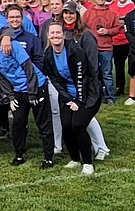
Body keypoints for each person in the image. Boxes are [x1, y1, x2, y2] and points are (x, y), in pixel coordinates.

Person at [0, 22, 54, 168]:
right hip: (18, 91)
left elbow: (29, 69)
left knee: (43, 123)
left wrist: (33, 93)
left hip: (36, 86)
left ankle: (48, 157)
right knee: (18, 123)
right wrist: (10, 96)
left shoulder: (12, 45)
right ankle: (19, 154)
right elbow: (0, 77)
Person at [40, 24, 102, 176]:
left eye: (58, 32)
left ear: (63, 34)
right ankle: (75, 159)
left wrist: (79, 102)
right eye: (52, 33)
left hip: (89, 94)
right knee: (66, 126)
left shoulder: (76, 50)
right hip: (68, 96)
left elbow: (83, 77)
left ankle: (88, 163)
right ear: (48, 36)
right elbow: (55, 80)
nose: (55, 36)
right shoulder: (48, 55)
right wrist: (68, 100)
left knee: (78, 125)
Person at [84, 0, 122, 104]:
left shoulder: (111, 13)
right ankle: (94, 96)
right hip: (91, 49)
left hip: (106, 48)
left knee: (107, 74)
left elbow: (117, 28)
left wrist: (107, 31)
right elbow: (81, 28)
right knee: (92, 73)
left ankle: (110, 97)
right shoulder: (88, 13)